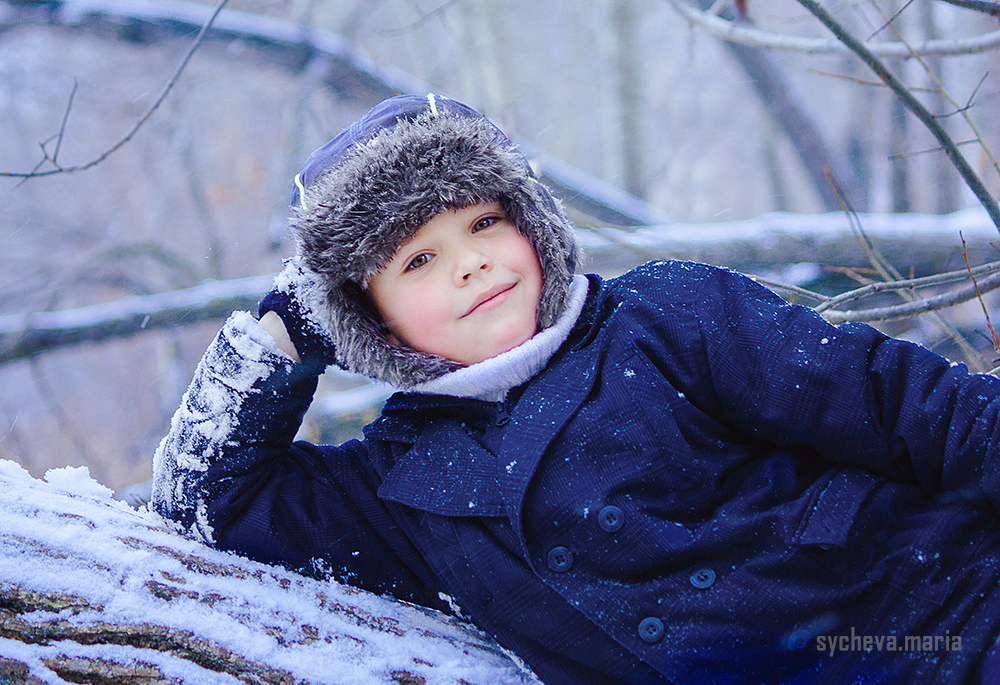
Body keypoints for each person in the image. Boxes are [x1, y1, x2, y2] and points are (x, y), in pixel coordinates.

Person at [151, 94, 1000, 685]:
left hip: (946, 626)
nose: (471, 261)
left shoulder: (667, 316)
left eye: (483, 222)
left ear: (531, 221)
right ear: (366, 317)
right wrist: (288, 327)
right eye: (418, 260)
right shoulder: (401, 485)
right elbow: (206, 494)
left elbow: (918, 413)